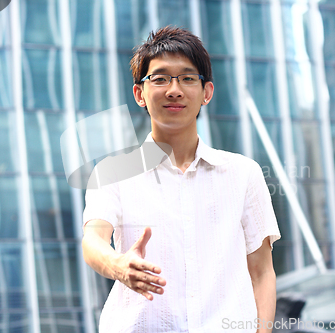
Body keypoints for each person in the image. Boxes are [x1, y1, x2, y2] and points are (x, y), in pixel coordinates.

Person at [81, 26, 281, 333]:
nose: (174, 90)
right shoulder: (112, 172)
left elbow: (262, 272)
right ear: (139, 94)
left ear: (207, 93)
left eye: (188, 78)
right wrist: (118, 266)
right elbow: (93, 240)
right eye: (160, 78)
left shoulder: (244, 174)